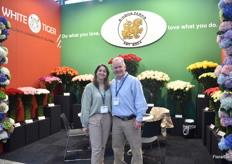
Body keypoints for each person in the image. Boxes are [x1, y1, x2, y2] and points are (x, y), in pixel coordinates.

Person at [110, 57, 148, 164]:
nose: (118, 69)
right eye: (115, 67)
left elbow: (140, 101)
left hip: (131, 121)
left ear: (125, 67)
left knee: (136, 149)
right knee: (116, 148)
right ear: (113, 69)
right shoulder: (112, 83)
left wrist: (139, 119)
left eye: (120, 67)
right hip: (116, 120)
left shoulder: (133, 81)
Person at [80, 64, 112, 164]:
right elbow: (85, 106)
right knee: (96, 148)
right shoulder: (89, 87)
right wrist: (85, 124)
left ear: (107, 74)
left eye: (104, 71)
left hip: (107, 117)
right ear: (96, 72)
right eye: (100, 70)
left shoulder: (109, 87)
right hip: (94, 118)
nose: (102, 72)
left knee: (103, 146)